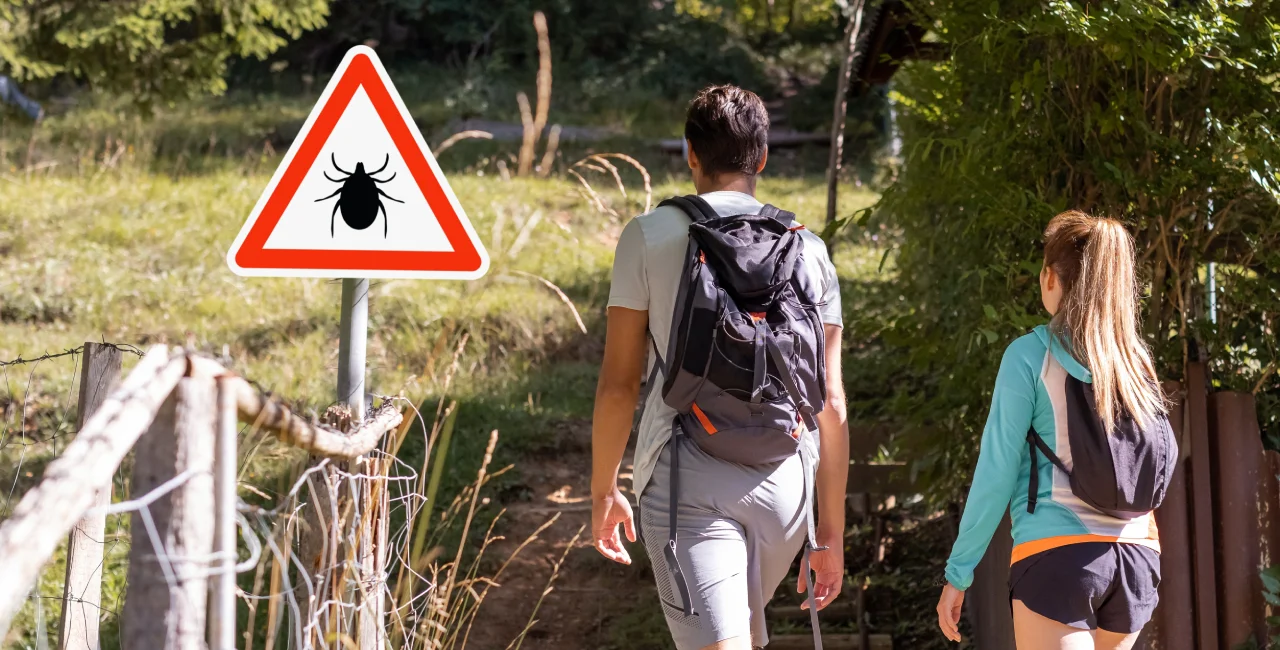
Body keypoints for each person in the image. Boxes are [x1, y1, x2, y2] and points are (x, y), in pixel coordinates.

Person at [591, 84, 850, 650]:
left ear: (690, 153)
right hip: (787, 484)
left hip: (685, 479)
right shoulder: (810, 250)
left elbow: (619, 385)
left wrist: (604, 489)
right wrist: (830, 531)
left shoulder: (648, 236)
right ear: (762, 157)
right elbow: (831, 402)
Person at [935, 210, 1170, 649]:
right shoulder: (1137, 364)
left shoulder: (1029, 356)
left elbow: (995, 473)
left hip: (1058, 557)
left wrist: (958, 573)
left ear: (1049, 278)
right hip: (1137, 558)